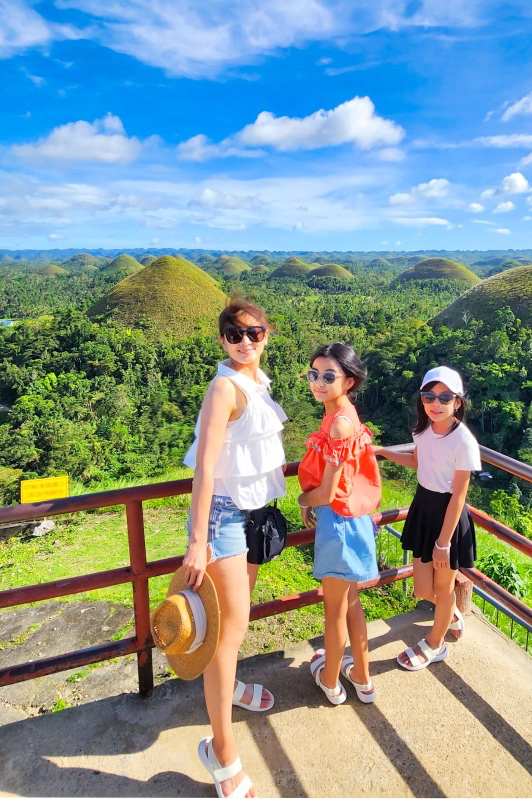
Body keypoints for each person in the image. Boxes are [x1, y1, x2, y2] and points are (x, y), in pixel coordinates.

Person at [180, 299, 287, 799]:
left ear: (267, 335)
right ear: (222, 339)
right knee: (225, 635)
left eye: (254, 332)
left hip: (253, 515)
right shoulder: (224, 387)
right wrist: (197, 541)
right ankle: (221, 751)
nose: (245, 341)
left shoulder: (258, 384)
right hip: (224, 518)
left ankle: (234, 689)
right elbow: (206, 468)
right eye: (234, 333)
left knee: (237, 627)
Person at [376, 366, 481, 671]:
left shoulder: (463, 441)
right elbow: (417, 462)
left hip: (448, 517)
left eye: (445, 397)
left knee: (444, 587)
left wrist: (444, 543)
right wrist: (382, 451)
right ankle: (449, 613)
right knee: (423, 589)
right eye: (429, 396)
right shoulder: (422, 430)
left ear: (457, 402)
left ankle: (436, 644)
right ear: (422, 399)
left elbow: (459, 495)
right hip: (424, 505)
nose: (436, 403)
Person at [297, 342, 382, 704]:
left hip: (340, 523)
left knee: (334, 610)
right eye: (313, 374)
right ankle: (362, 679)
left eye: (328, 376)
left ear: (348, 381)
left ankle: (330, 680)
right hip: (355, 520)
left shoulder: (340, 424)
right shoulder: (344, 414)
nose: (318, 382)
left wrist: (303, 499)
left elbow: (328, 492)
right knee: (350, 604)